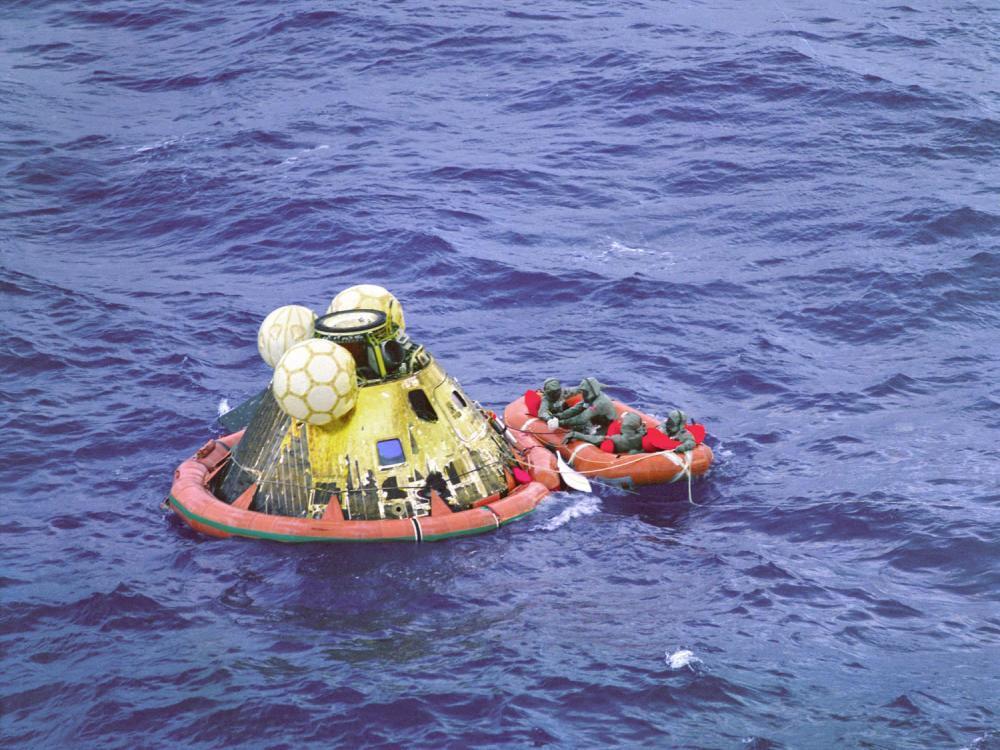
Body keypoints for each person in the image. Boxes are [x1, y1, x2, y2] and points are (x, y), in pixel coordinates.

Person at [569, 412, 646, 453]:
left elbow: (595, 439)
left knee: (607, 444)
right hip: (632, 444)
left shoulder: (617, 439)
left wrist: (576, 434)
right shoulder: (643, 433)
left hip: (613, 441)